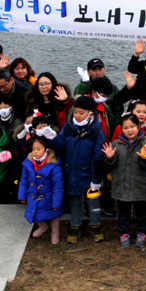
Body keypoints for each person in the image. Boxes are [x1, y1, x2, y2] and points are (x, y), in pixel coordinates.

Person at [46, 96, 106, 243]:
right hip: (72, 172)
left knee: (93, 202)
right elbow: (61, 147)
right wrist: (52, 138)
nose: (77, 116)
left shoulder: (97, 131)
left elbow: (98, 156)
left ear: (90, 114)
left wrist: (96, 179)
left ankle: (95, 225)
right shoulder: (67, 128)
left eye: (81, 113)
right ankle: (75, 225)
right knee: (74, 201)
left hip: (89, 174)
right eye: (76, 112)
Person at [103, 114, 146, 249]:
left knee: (141, 211)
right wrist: (110, 158)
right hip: (121, 185)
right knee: (123, 212)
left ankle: (142, 232)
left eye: (132, 126)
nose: (130, 130)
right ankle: (124, 233)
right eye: (126, 127)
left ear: (138, 126)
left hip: (140, 184)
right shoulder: (116, 144)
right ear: (121, 129)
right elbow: (111, 165)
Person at [18, 137, 64, 245]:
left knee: (54, 215)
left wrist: (56, 202)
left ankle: (55, 234)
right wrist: (22, 196)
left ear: (46, 150)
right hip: (34, 195)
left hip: (49, 197)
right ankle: (43, 227)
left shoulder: (54, 166)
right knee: (35, 212)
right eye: (33, 149)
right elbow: (24, 181)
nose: (35, 152)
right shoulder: (28, 163)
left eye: (38, 149)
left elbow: (58, 186)